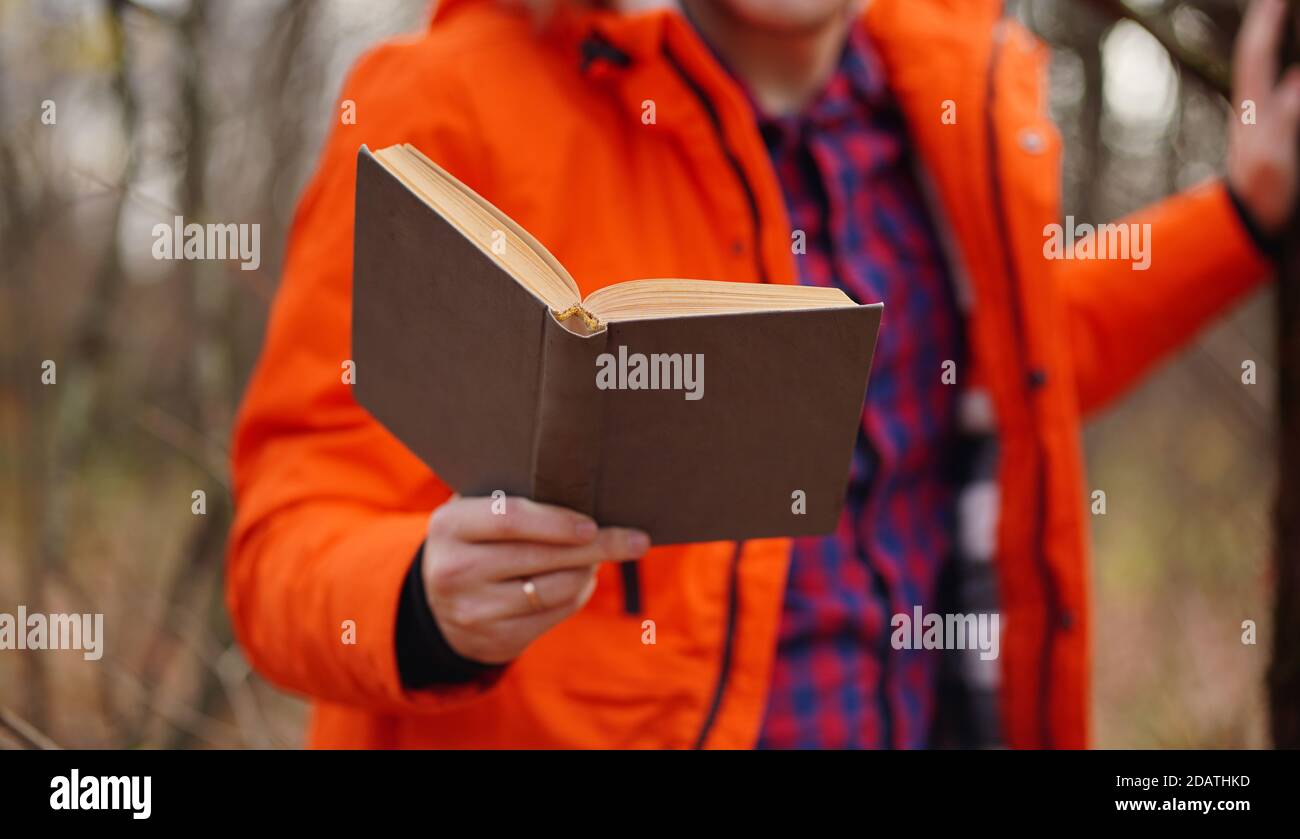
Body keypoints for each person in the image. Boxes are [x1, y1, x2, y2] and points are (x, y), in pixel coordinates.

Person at [226, 0, 1298, 748]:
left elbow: (1019, 359)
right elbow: (283, 540)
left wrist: (1241, 212)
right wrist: (420, 597)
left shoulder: (950, 106)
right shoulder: (454, 99)